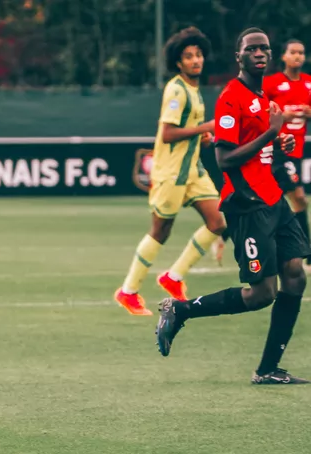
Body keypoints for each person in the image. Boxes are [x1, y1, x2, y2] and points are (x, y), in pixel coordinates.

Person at [156, 28, 311, 385]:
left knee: (295, 274)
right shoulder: (231, 97)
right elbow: (225, 159)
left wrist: (279, 143)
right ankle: (180, 310)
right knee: (262, 294)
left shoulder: (263, 95)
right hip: (248, 204)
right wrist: (272, 133)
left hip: (273, 198)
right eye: (251, 49)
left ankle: (269, 369)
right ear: (238, 57)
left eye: (265, 49)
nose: (260, 53)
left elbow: (260, 151)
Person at [115, 28, 225, 315]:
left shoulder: (195, 91)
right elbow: (167, 133)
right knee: (161, 231)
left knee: (219, 222)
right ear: (178, 62)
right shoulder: (176, 89)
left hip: (192, 171)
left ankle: (173, 277)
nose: (195, 60)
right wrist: (205, 128)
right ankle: (128, 291)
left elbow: (187, 132)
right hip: (171, 172)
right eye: (188, 56)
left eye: (198, 55)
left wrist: (201, 137)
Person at [263, 39, 311, 269]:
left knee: (270, 197)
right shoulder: (272, 83)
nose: (298, 57)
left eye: (301, 53)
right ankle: (307, 253)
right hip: (279, 150)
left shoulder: (309, 83)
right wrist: (283, 115)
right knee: (298, 198)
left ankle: (222, 235)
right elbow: (261, 112)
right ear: (283, 56)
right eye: (293, 52)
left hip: (297, 150)